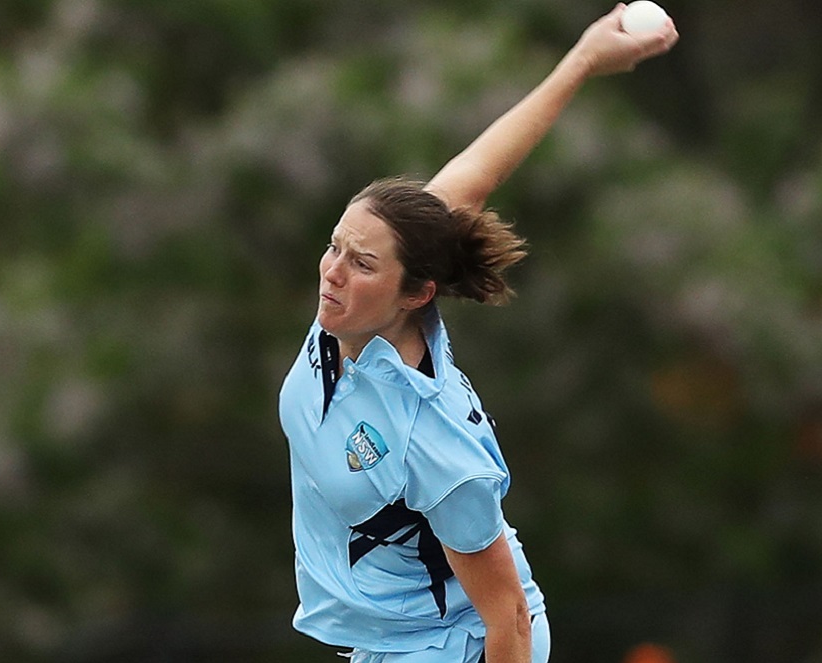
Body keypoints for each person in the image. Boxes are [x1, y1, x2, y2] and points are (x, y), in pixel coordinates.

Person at [278, 5, 679, 662]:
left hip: (460, 645)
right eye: (335, 246)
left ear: (416, 292)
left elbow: (511, 619)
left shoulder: (434, 439)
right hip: (387, 640)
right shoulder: (345, 321)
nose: (333, 271)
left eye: (362, 261)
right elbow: (477, 173)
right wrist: (580, 62)